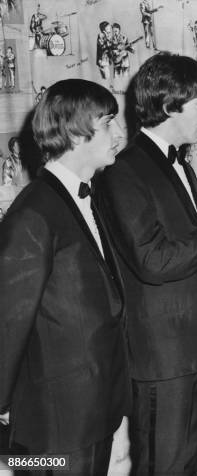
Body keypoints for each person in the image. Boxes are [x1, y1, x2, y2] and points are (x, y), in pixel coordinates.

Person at [97, 53, 197, 475]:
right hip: (161, 360)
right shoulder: (123, 172)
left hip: (195, 351)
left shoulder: (181, 163)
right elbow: (152, 259)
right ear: (169, 106)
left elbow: (192, 251)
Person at [0, 78, 129, 475]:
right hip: (55, 424)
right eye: (108, 122)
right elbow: (9, 317)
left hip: (94, 409)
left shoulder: (90, 194)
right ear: (75, 132)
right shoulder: (33, 213)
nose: (119, 133)